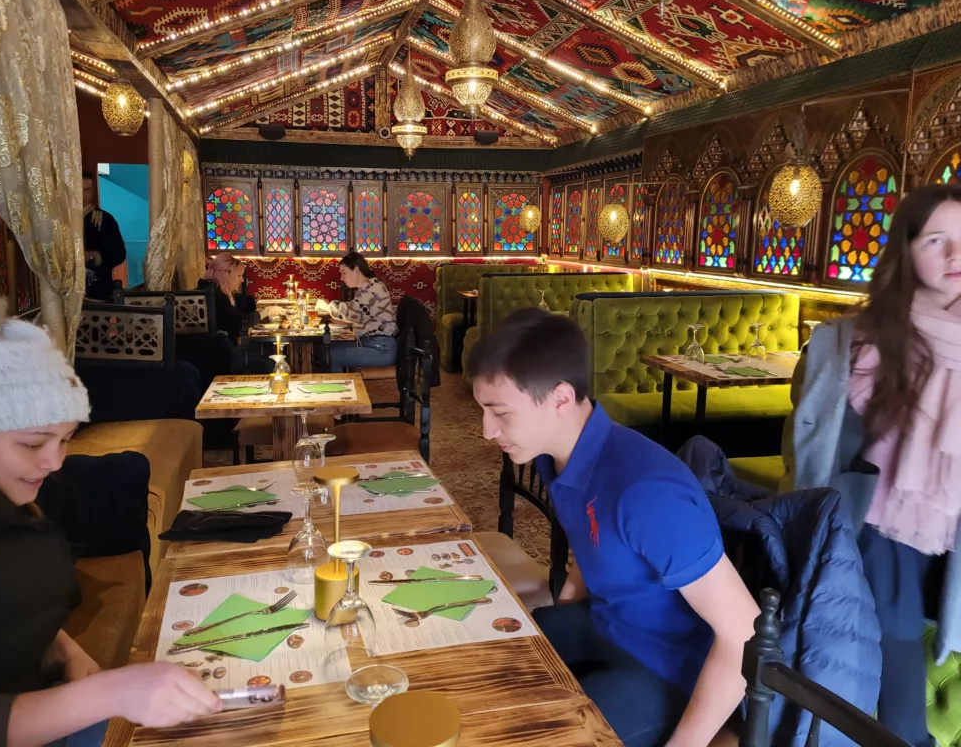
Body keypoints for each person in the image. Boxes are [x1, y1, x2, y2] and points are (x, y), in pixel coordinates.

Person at [0, 277, 222, 747]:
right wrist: (107, 692)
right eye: (32, 443)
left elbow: (8, 600)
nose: (54, 462)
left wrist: (64, 648)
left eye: (65, 439)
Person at [469, 308, 758, 747]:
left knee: (535, 734)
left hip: (669, 669)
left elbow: (744, 633)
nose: (486, 430)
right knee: (484, 666)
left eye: (500, 412)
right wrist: (571, 594)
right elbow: (595, 534)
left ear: (560, 398)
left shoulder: (646, 491)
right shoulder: (555, 457)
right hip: (604, 626)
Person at [788, 183, 961, 747]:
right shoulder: (854, 345)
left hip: (949, 542)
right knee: (899, 711)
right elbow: (811, 448)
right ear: (906, 252)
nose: (956, 256)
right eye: (938, 240)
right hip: (877, 539)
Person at [325, 252, 398, 372]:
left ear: (356, 270)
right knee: (327, 348)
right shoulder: (368, 287)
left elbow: (352, 312)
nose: (341, 278)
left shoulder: (373, 289)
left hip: (381, 348)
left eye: (344, 273)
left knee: (331, 355)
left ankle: (341, 388)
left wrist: (328, 306)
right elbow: (357, 310)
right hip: (373, 343)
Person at [82, 172, 127, 302]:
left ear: (93, 191)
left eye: (87, 190)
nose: (83, 194)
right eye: (79, 190)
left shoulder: (104, 219)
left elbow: (119, 253)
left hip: (98, 292)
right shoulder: (63, 220)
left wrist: (93, 256)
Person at [199, 253, 255, 343]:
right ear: (226, 274)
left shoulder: (209, 289)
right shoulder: (216, 295)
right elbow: (240, 321)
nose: (242, 280)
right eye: (238, 275)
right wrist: (265, 312)